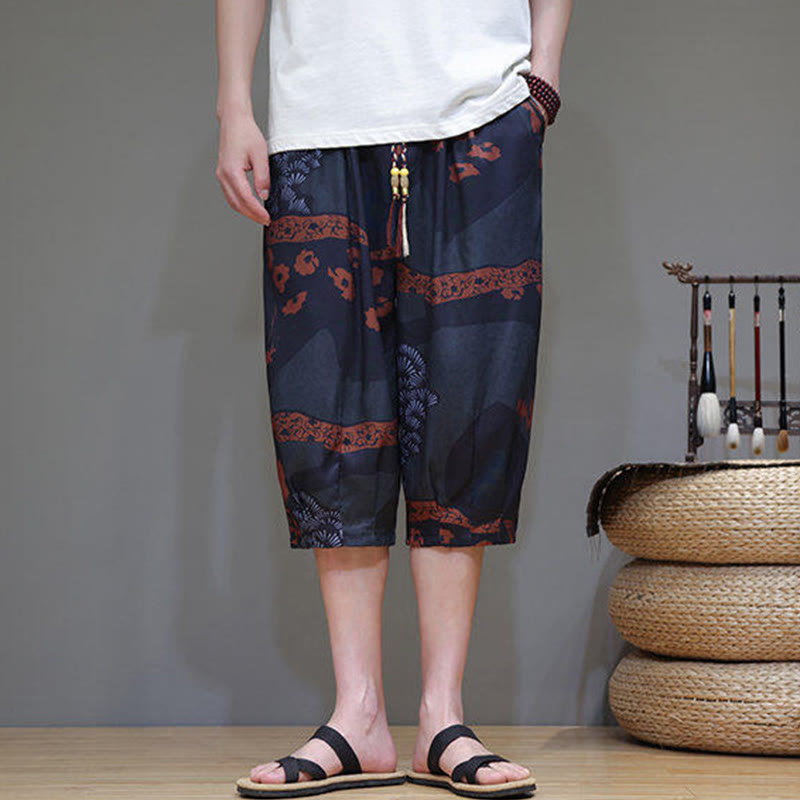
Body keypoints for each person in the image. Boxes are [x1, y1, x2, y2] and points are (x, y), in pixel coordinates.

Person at [215, 1, 572, 797]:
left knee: (469, 408)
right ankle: (360, 716)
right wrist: (234, 102)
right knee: (328, 412)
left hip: (481, 112)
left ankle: (443, 716)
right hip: (317, 120)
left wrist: (543, 77)